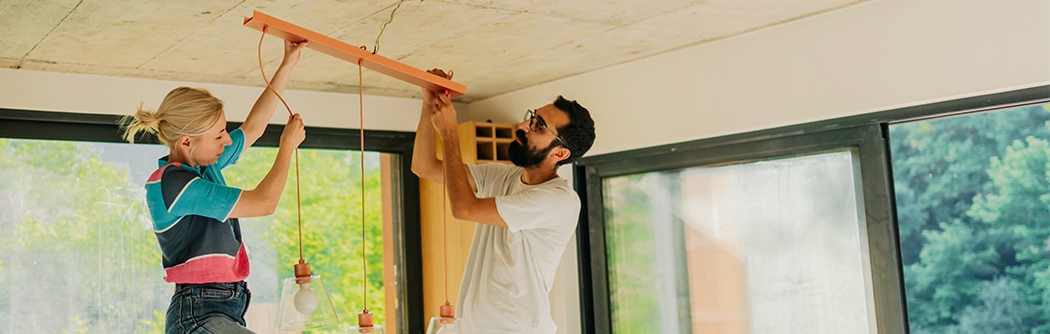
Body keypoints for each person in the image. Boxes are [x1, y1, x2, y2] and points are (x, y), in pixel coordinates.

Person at [120, 41, 307, 334]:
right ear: (186, 142)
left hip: (226, 309)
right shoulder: (172, 183)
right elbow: (263, 203)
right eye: (219, 135)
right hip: (197, 313)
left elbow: (254, 128)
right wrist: (286, 148)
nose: (228, 141)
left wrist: (287, 64)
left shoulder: (206, 167)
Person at [412, 69, 597, 333]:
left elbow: (464, 208)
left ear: (560, 152)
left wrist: (450, 135)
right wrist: (428, 105)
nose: (524, 127)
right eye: (533, 118)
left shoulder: (559, 201)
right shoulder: (500, 176)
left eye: (539, 126)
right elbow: (424, 166)